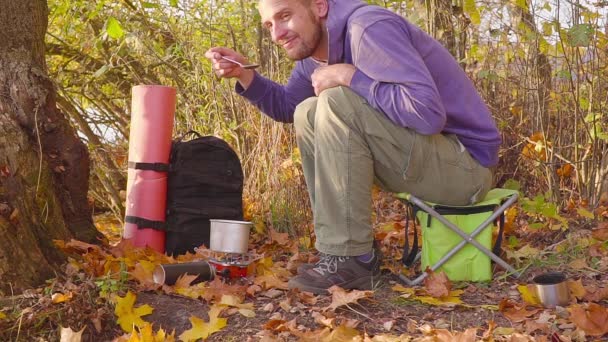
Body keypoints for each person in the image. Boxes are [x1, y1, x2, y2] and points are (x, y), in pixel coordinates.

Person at [205, 0, 500, 294]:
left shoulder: (368, 29)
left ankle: (350, 258)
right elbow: (287, 106)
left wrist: (349, 77)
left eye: (285, 16)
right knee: (307, 111)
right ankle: (350, 254)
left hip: (466, 170)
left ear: (319, 7)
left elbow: (427, 114)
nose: (277, 34)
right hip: (431, 160)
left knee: (336, 102)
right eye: (269, 25)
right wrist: (245, 74)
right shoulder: (318, 52)